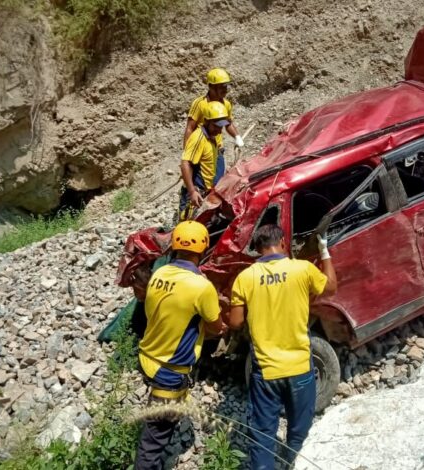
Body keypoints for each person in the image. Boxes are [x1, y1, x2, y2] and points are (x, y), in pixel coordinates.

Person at [227, 225, 337, 470]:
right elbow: (330, 287)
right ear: (284, 243)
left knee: (263, 436)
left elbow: (235, 322)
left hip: (266, 372)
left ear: (258, 249)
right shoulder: (302, 269)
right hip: (299, 368)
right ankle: (294, 463)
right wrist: (324, 251)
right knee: (299, 430)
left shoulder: (245, 278)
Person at [134, 221, 226, 470]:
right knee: (153, 440)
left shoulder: (159, 275)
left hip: (148, 357)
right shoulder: (201, 287)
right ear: (203, 249)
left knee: (160, 424)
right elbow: (216, 327)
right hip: (169, 371)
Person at [179, 101, 230, 221]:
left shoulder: (213, 136)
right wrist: (192, 192)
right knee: (188, 231)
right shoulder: (198, 138)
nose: (219, 130)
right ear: (207, 121)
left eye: (221, 126)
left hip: (207, 193)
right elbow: (185, 163)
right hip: (196, 195)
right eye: (216, 126)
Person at [183, 67, 243, 150]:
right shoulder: (200, 103)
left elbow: (228, 123)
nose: (225, 90)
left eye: (226, 87)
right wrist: (187, 153)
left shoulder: (226, 104)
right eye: (222, 87)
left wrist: (237, 137)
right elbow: (190, 128)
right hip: (201, 151)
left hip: (218, 149)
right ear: (211, 87)